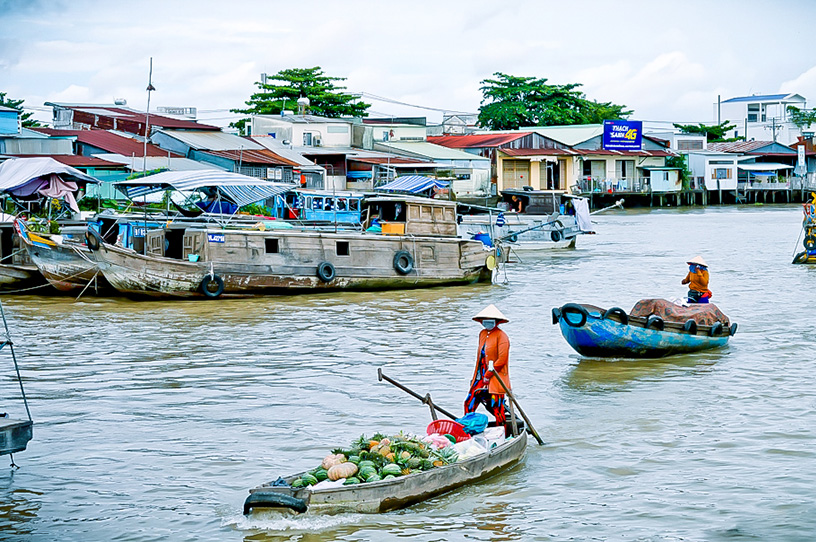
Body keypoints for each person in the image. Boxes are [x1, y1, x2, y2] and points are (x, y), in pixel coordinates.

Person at [464, 304, 511, 428]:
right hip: (480, 377)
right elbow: (480, 358)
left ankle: (502, 432)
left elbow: (502, 360)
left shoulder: (502, 336)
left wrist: (488, 375)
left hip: (495, 378)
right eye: (485, 320)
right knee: (469, 403)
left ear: (496, 322)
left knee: (497, 408)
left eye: (490, 321)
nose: (487, 323)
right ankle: (469, 429)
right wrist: (477, 378)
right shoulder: (482, 334)